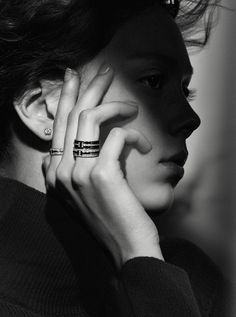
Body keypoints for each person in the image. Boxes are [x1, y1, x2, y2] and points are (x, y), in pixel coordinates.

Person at [0, 0, 231, 316]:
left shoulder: (192, 281)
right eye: (153, 80)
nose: (190, 119)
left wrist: (139, 251)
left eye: (184, 90)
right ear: (43, 106)